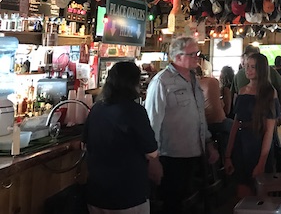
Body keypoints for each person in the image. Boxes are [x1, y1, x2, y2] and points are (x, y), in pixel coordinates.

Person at [145, 36, 219, 214]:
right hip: (171, 158)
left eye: (197, 53)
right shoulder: (162, 82)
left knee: (193, 203)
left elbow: (200, 116)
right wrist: (153, 160)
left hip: (196, 152)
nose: (197, 57)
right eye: (192, 54)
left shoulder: (193, 80)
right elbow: (152, 122)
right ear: (177, 57)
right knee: (172, 205)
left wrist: (209, 144)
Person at [83, 61, 162, 214]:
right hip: (128, 192)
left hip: (96, 191)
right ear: (133, 83)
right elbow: (151, 151)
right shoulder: (135, 111)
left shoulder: (97, 108)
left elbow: (85, 143)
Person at [224, 53, 280, 198]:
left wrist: (262, 162)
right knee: (242, 189)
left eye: (253, 67)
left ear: (261, 69)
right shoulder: (242, 90)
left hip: (259, 142)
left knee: (261, 191)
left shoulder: (270, 93)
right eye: (246, 66)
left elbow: (269, 131)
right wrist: (228, 155)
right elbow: (236, 123)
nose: (248, 70)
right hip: (241, 143)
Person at [233, 45, 281, 125]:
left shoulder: (270, 89)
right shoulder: (240, 79)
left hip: (263, 124)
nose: (249, 69)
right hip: (247, 128)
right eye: (248, 66)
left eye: (253, 66)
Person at [198, 61, 233, 157]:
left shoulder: (192, 86)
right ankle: (228, 157)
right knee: (235, 129)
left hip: (204, 125)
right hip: (219, 122)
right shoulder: (214, 82)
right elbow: (227, 110)